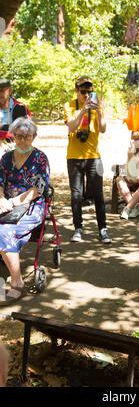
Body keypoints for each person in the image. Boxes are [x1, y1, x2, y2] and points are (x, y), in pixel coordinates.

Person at [0, 118, 50, 305]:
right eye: (19, 136)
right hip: (6, 203)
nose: (22, 140)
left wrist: (12, 202)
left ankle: (17, 284)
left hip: (31, 205)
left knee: (4, 233)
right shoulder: (6, 157)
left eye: (27, 137)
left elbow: (37, 190)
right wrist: (1, 199)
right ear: (13, 136)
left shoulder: (40, 159)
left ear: (34, 137)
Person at [64, 76, 111, 244]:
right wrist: (83, 109)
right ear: (77, 91)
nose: (86, 95)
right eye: (83, 91)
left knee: (98, 194)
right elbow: (71, 126)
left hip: (94, 157)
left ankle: (103, 229)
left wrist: (98, 111)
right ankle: (78, 228)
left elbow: (103, 129)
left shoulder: (97, 107)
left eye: (89, 91)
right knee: (76, 195)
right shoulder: (70, 105)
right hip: (74, 157)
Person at [117, 130, 139, 219]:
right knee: (119, 180)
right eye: (133, 140)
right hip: (131, 178)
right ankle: (133, 208)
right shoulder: (131, 150)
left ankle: (127, 209)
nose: (134, 142)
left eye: (137, 140)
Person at [0, 77, 31, 158]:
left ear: (10, 91)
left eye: (2, 91)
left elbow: (24, 133)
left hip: (14, 152)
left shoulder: (20, 108)